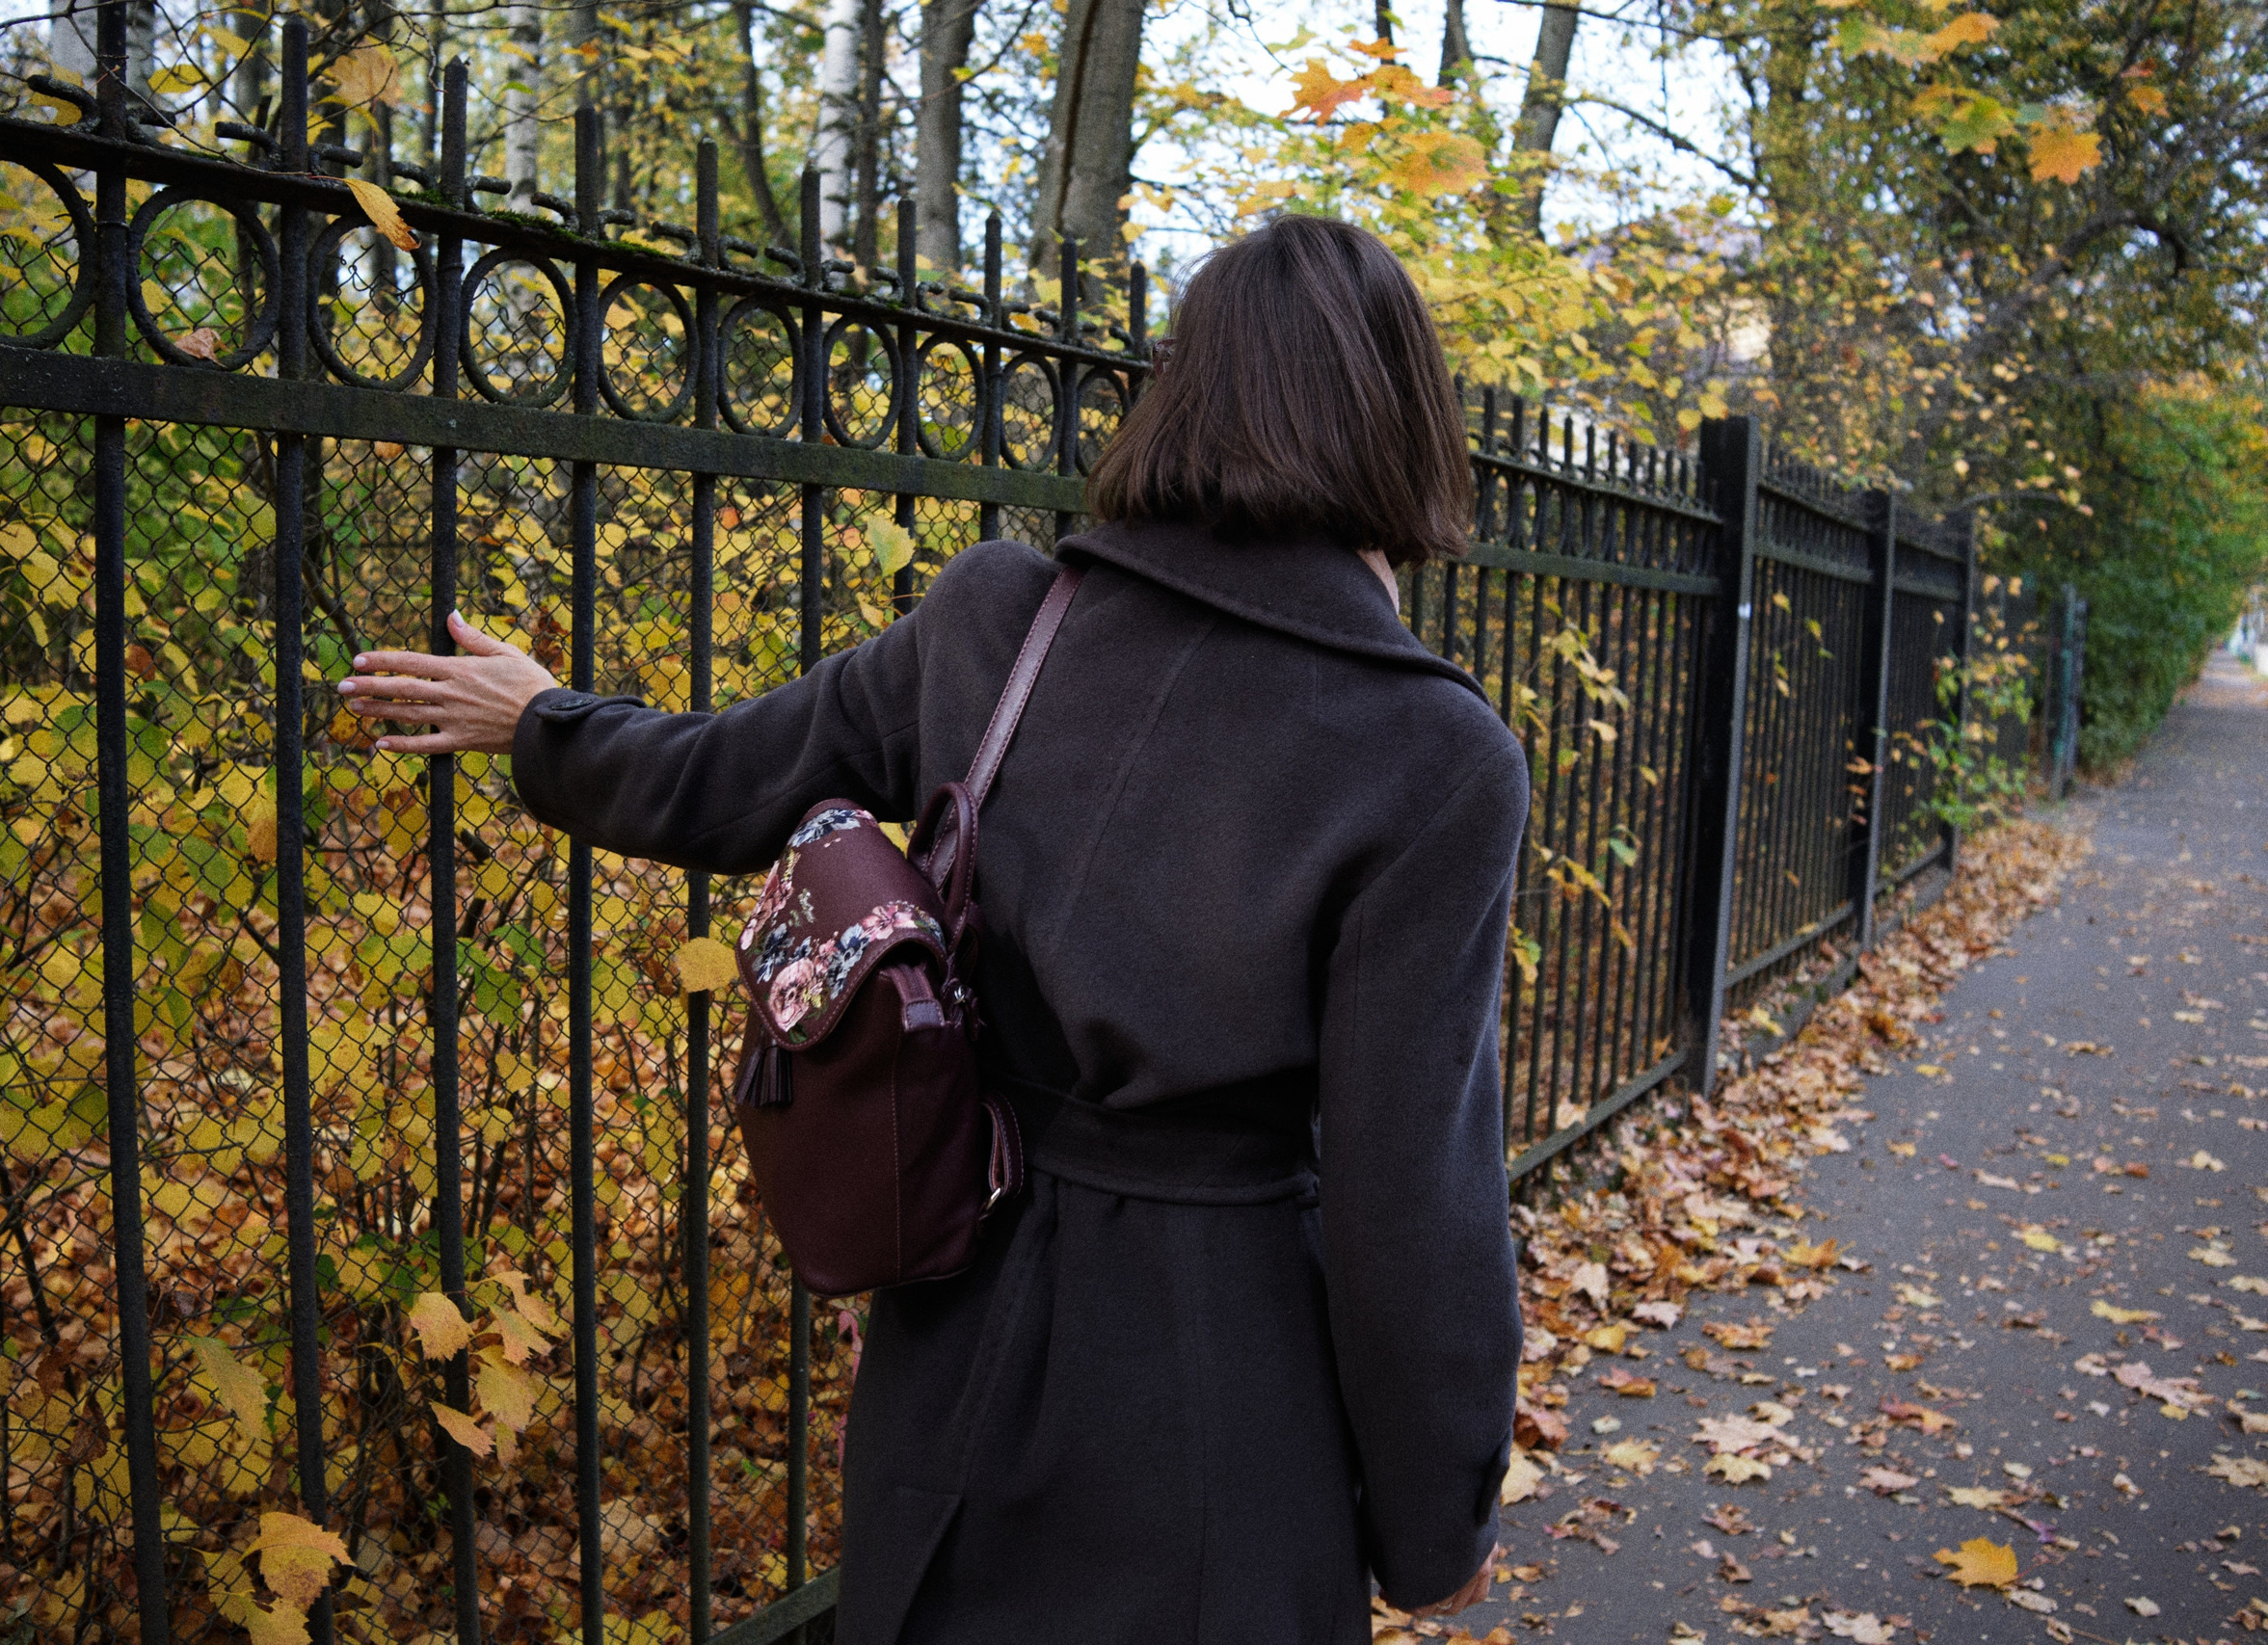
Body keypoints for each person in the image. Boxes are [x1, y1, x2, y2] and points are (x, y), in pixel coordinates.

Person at [336, 212, 1528, 1643]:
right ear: (1404, 425)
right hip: (1229, 1401)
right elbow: (1418, 1203)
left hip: (964, 1325)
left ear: (1186, 393)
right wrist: (1433, 1518)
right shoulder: (1432, 751)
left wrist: (547, 723)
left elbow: (732, 780)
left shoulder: (1009, 617)